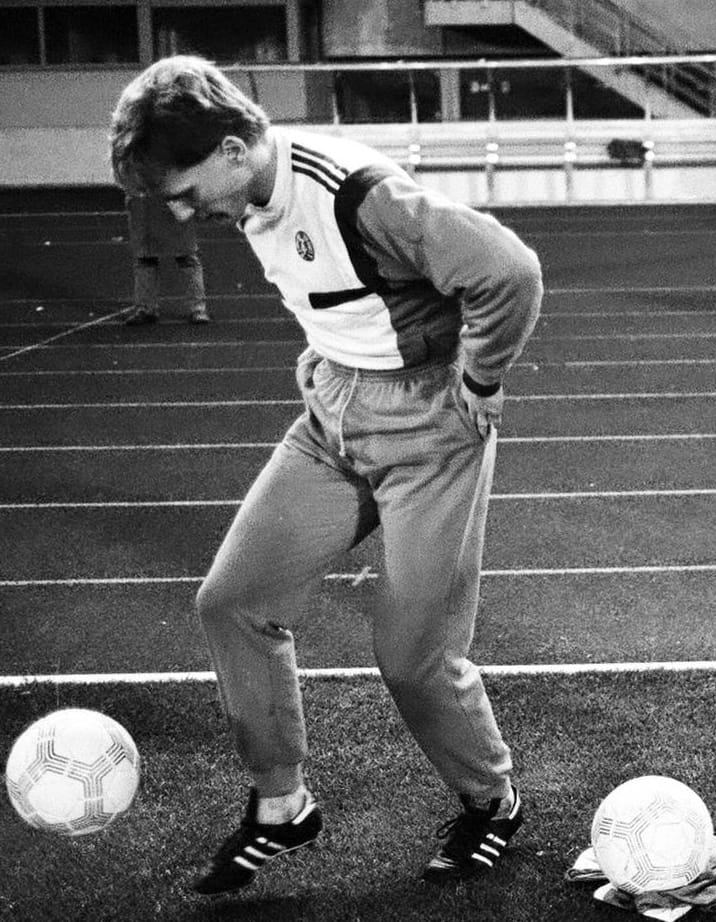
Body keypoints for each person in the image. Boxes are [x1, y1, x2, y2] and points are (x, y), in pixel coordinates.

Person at [109, 56, 542, 895]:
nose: (182, 212)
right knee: (232, 602)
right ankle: (283, 806)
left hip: (428, 431)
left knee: (413, 657)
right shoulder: (246, 191)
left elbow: (508, 272)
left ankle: (492, 801)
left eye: (187, 189)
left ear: (236, 148)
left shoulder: (357, 192)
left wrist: (481, 381)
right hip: (331, 417)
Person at [123, 190, 211, 325]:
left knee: (186, 257)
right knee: (145, 257)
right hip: (145, 205)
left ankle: (198, 309)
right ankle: (146, 308)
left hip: (173, 200)